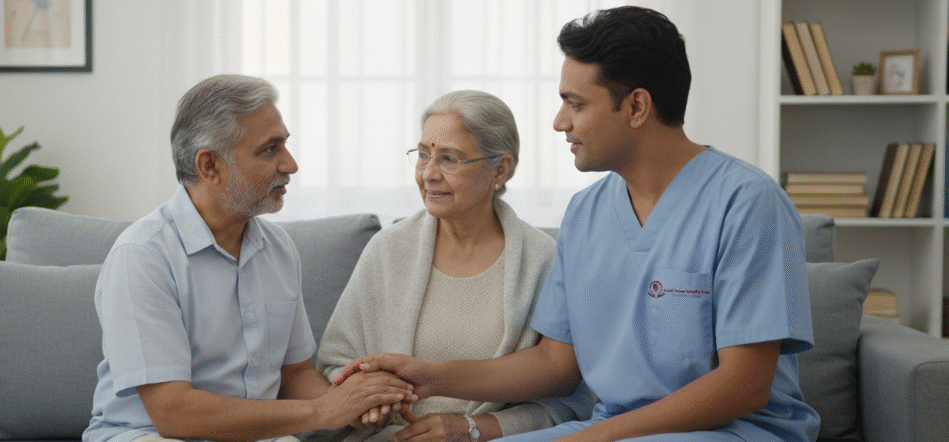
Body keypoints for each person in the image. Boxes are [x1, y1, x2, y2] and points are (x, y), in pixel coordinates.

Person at [333, 6, 821, 442]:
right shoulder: (586, 213)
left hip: (728, 431)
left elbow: (744, 385)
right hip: (608, 428)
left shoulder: (749, 204)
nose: (559, 122)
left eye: (576, 103)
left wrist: (599, 437)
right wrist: (431, 377)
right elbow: (555, 365)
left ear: (636, 107)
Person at [83, 74, 415, 442]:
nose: (290, 165)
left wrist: (357, 408)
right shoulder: (142, 257)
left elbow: (293, 374)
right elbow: (172, 412)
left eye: (284, 146)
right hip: (149, 436)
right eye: (270, 150)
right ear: (209, 166)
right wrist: (324, 411)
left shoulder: (278, 248)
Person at [308, 90, 594, 442]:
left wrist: (477, 429)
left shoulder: (543, 260)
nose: (429, 174)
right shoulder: (388, 249)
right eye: (423, 155)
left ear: (500, 169)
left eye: (449, 159)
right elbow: (337, 364)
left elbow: (570, 398)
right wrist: (370, 399)